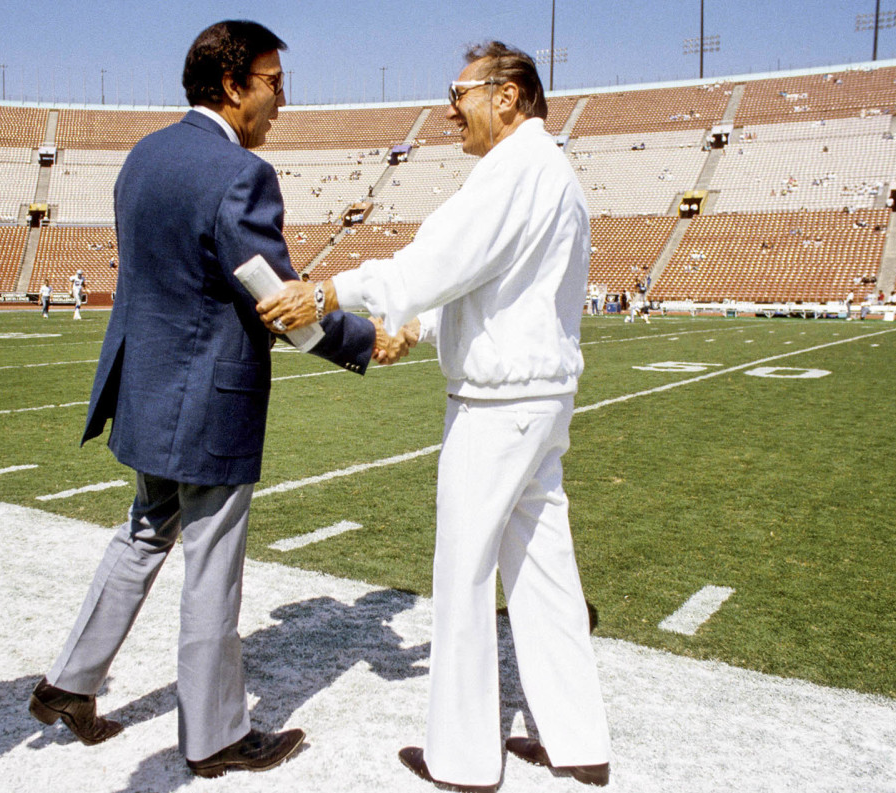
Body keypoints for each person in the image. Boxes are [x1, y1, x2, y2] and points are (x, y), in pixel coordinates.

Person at [29, 20, 378, 779]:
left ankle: (68, 683)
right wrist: (362, 340)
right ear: (232, 86)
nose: (282, 101)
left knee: (144, 533)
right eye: (273, 83)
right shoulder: (240, 175)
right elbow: (278, 305)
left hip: (147, 390)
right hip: (207, 400)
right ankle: (216, 734)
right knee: (211, 563)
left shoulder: (144, 156)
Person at [259, 41, 610, 792]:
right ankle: (578, 741)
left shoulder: (511, 171)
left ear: (507, 95)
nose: (450, 107)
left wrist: (326, 293)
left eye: (459, 91)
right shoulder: (556, 174)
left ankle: (462, 757)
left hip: (497, 402)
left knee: (464, 571)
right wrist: (415, 321)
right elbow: (484, 279)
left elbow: (432, 262)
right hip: (543, 397)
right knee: (545, 568)